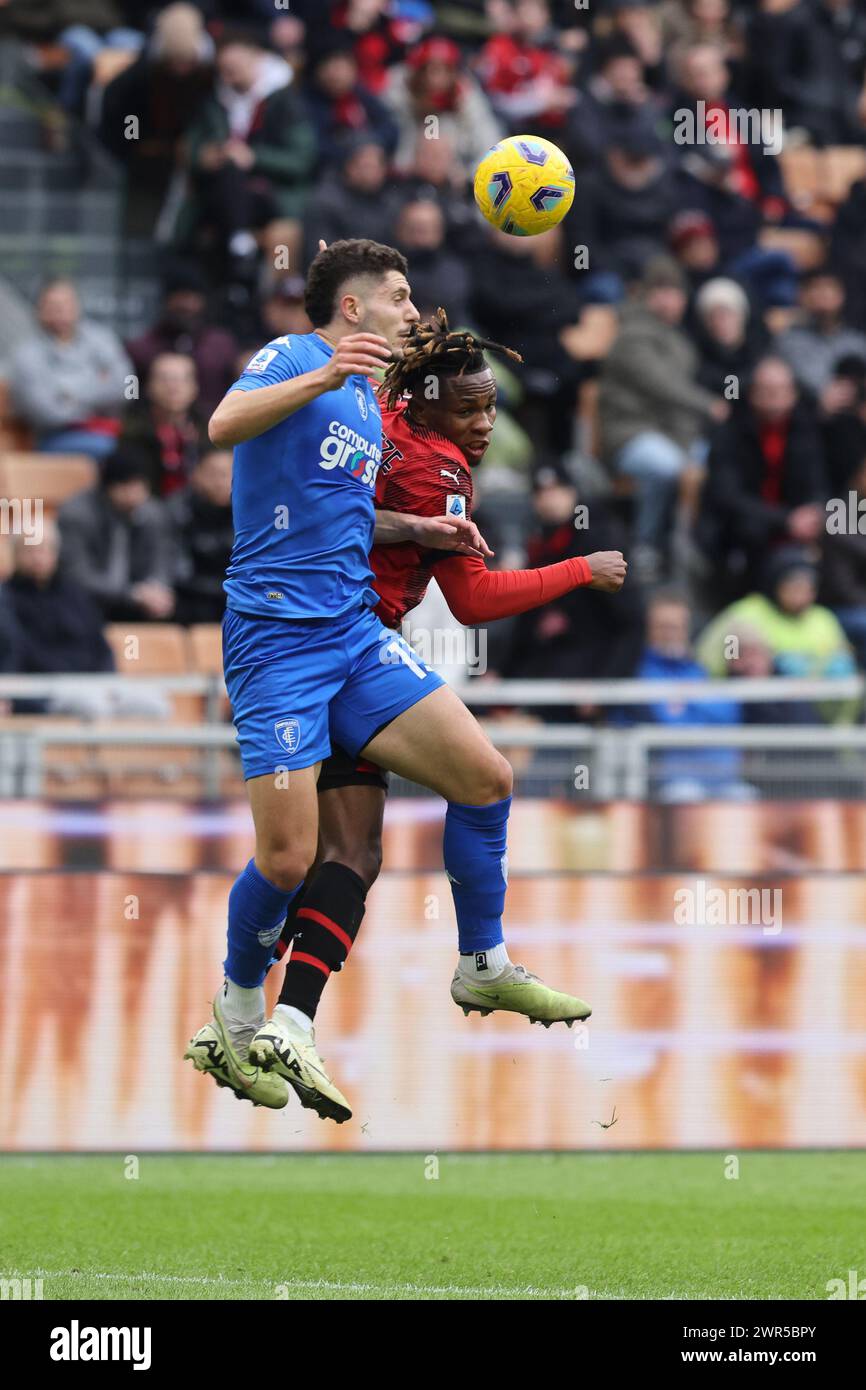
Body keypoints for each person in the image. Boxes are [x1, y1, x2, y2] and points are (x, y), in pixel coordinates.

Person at [184, 240, 597, 1118]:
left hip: (353, 635)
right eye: (401, 296)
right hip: (276, 643)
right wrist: (325, 371)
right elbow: (221, 426)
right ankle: (238, 1009)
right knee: (292, 858)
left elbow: (342, 515)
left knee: (486, 778)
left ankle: (480, 963)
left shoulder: (371, 404)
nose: (414, 311)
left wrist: (419, 526)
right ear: (352, 306)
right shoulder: (299, 357)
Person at [597, 255, 725, 581]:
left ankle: (697, 545)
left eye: (675, 291)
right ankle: (646, 546)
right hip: (629, 432)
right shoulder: (632, 335)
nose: (669, 299)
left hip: (674, 434)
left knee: (717, 464)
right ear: (646, 294)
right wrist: (709, 404)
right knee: (668, 469)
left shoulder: (680, 340)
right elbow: (662, 385)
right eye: (661, 290)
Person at [697, 356, 828, 600]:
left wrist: (812, 512)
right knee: (751, 530)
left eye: (780, 392)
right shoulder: (729, 431)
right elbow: (727, 497)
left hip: (793, 521)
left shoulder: (805, 429)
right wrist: (786, 520)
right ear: (752, 393)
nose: (774, 400)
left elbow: (817, 482)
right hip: (739, 528)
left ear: (793, 394)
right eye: (766, 392)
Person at [7, 279, 132, 459]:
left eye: (66, 304)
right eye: (52, 305)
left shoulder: (103, 338)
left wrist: (68, 392)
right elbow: (48, 414)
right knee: (118, 453)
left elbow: (130, 386)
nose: (60, 311)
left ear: (78, 306)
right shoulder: (26, 355)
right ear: (39, 310)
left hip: (111, 429)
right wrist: (100, 385)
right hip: (54, 438)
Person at [58, 448, 177, 621]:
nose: (134, 494)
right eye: (127, 486)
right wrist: (131, 594)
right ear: (108, 488)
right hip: (92, 602)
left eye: (140, 486)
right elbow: (77, 576)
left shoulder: (152, 514)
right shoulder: (77, 514)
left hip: (140, 602)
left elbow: (162, 559)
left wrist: (157, 589)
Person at [126, 264, 238, 420]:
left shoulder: (221, 346)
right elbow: (131, 397)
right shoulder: (141, 348)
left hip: (214, 430)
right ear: (167, 300)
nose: (188, 304)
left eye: (194, 297)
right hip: (153, 434)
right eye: (181, 296)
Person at [119, 352, 207, 498]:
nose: (173, 387)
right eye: (164, 379)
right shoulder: (132, 432)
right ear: (149, 387)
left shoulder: (210, 431)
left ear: (195, 388)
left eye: (182, 379)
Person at [167, 449, 234, 625]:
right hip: (188, 605)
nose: (220, 482)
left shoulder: (249, 514)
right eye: (213, 474)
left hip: (233, 602)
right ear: (196, 475)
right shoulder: (177, 511)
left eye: (227, 475)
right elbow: (178, 573)